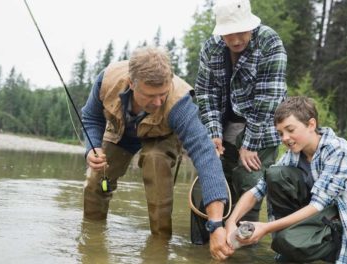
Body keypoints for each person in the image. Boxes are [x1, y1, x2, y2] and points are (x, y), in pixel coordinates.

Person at [81, 46, 233, 260]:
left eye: (163, 94)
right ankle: (91, 237)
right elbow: (91, 118)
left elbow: (205, 155)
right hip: (122, 131)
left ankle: (160, 245)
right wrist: (92, 146)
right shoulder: (107, 80)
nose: (158, 102)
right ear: (132, 84)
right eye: (150, 95)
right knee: (96, 178)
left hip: (163, 135)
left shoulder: (179, 104)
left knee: (155, 161)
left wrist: (216, 224)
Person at [225, 96, 347, 263]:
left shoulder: (339, 152)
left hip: (342, 231)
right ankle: (294, 242)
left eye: (290, 130)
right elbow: (257, 191)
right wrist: (231, 221)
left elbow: (317, 204)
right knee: (274, 174)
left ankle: (331, 250)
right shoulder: (293, 154)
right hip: (318, 219)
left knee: (285, 241)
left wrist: (264, 228)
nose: (285, 138)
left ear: (311, 125)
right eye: (280, 133)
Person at [195, 0, 287, 222]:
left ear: (251, 26)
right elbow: (205, 93)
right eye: (228, 34)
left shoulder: (269, 42)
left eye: (241, 32)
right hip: (225, 125)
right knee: (217, 182)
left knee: (250, 182)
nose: (235, 40)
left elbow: (269, 99)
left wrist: (250, 144)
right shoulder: (210, 47)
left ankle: (244, 245)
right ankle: (212, 238)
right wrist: (213, 133)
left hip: (261, 129)